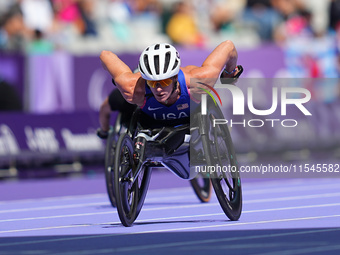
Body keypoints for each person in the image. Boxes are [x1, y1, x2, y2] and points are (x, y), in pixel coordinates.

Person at [98, 41, 241, 135]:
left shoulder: (198, 81)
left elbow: (229, 46)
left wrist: (229, 74)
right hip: (150, 121)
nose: (159, 89)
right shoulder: (133, 88)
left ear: (174, 78)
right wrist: (117, 81)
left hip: (191, 118)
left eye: (165, 82)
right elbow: (105, 55)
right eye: (153, 83)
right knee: (114, 102)